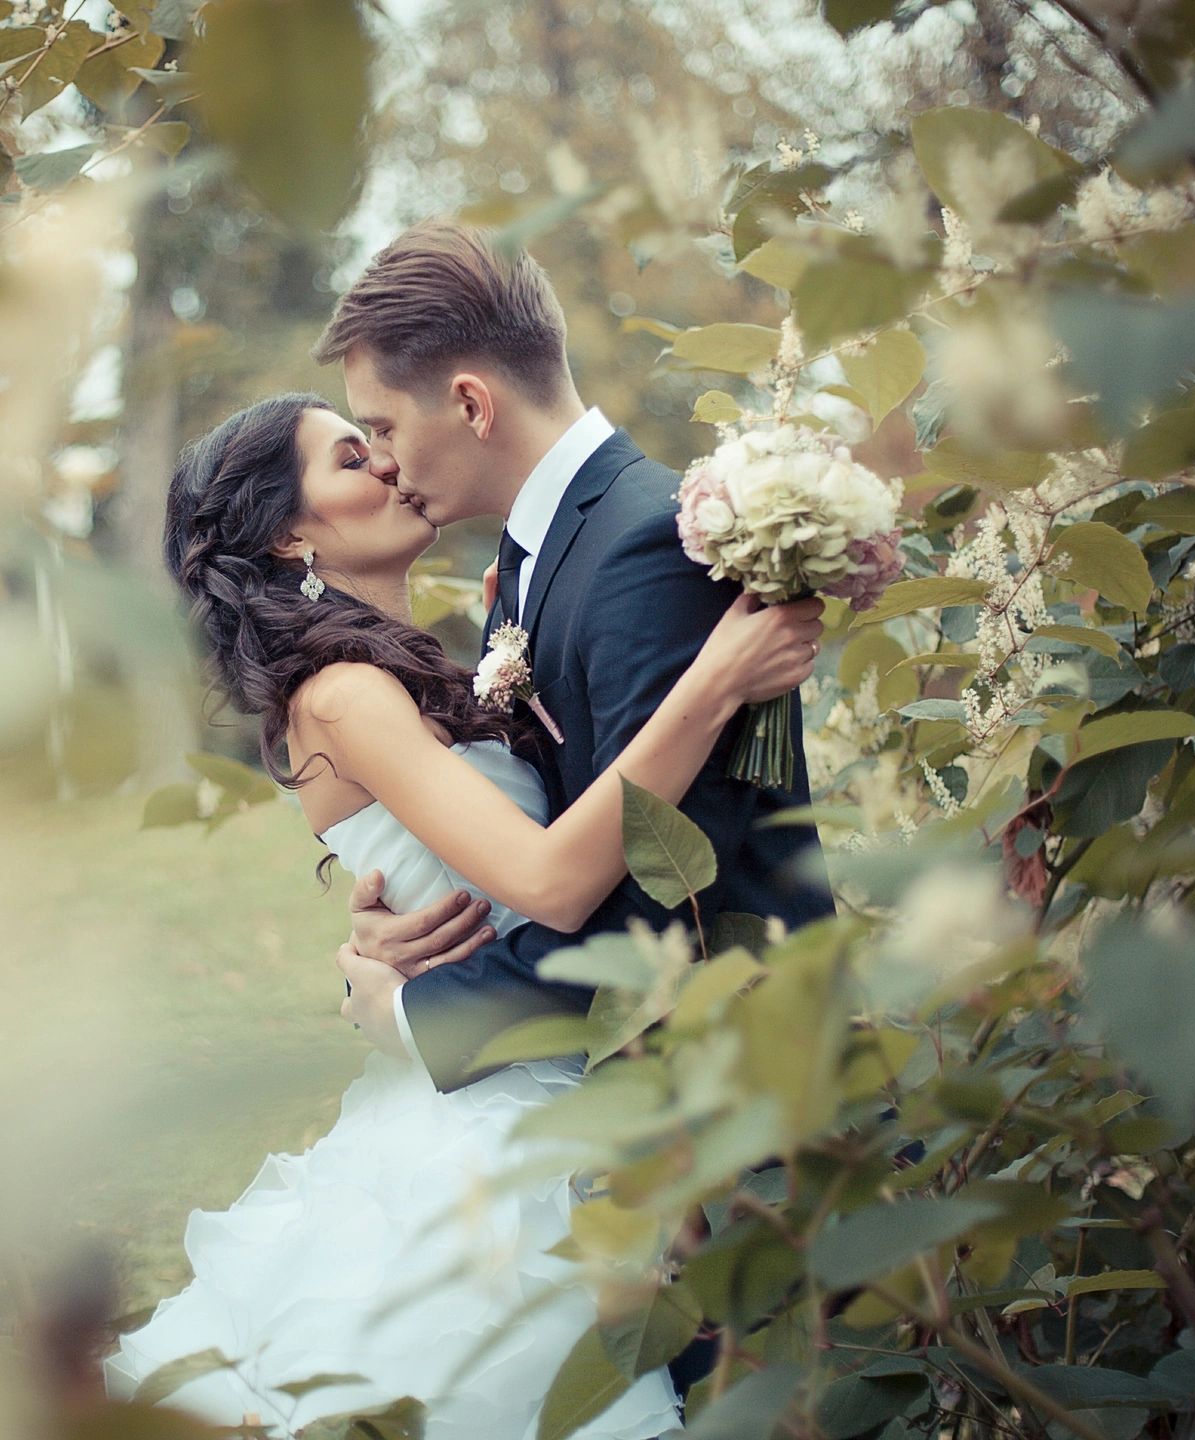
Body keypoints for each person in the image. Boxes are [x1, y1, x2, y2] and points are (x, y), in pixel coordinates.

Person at [102, 379, 826, 1437]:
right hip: (492, 1115)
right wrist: (713, 685)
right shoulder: (343, 696)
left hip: (546, 1062)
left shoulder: (423, 663)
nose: (391, 464)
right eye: (352, 458)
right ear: (292, 535)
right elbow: (549, 880)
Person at [317, 222, 834, 1395]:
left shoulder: (645, 545)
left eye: (386, 429)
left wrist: (414, 1016)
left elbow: (651, 903)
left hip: (740, 1137)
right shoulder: (543, 551)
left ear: (470, 400)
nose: (385, 463)